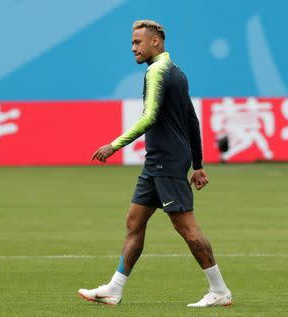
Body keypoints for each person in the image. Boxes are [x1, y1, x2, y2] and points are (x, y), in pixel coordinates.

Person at [78, 20, 232, 308]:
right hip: (158, 162)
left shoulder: (158, 72)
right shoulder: (177, 73)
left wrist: (114, 145)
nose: (133, 48)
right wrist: (197, 164)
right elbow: (191, 121)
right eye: (132, 43)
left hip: (167, 162)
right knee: (134, 222)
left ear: (155, 42)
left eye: (138, 43)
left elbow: (149, 117)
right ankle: (114, 288)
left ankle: (220, 290)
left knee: (187, 228)